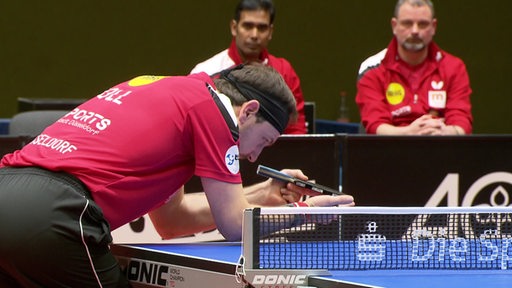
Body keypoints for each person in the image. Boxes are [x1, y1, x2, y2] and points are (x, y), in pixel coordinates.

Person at [0, 64, 354, 287]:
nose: (252, 155)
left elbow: (172, 219)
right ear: (248, 111)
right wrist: (305, 214)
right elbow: (234, 224)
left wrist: (261, 194)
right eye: (264, 141)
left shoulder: (177, 96)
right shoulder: (214, 111)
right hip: (57, 213)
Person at [355, 0, 473, 135]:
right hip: (389, 151)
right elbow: (375, 126)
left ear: (434, 26)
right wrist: (410, 133)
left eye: (423, 24)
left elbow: (462, 124)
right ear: (394, 25)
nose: (415, 31)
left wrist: (445, 132)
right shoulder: (372, 68)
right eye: (407, 23)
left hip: (440, 148)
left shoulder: (454, 67)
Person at [190, 0, 307, 134]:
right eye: (248, 26)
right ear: (234, 28)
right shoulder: (205, 71)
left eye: (262, 28)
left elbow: (295, 131)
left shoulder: (284, 71)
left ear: (270, 32)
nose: (254, 35)